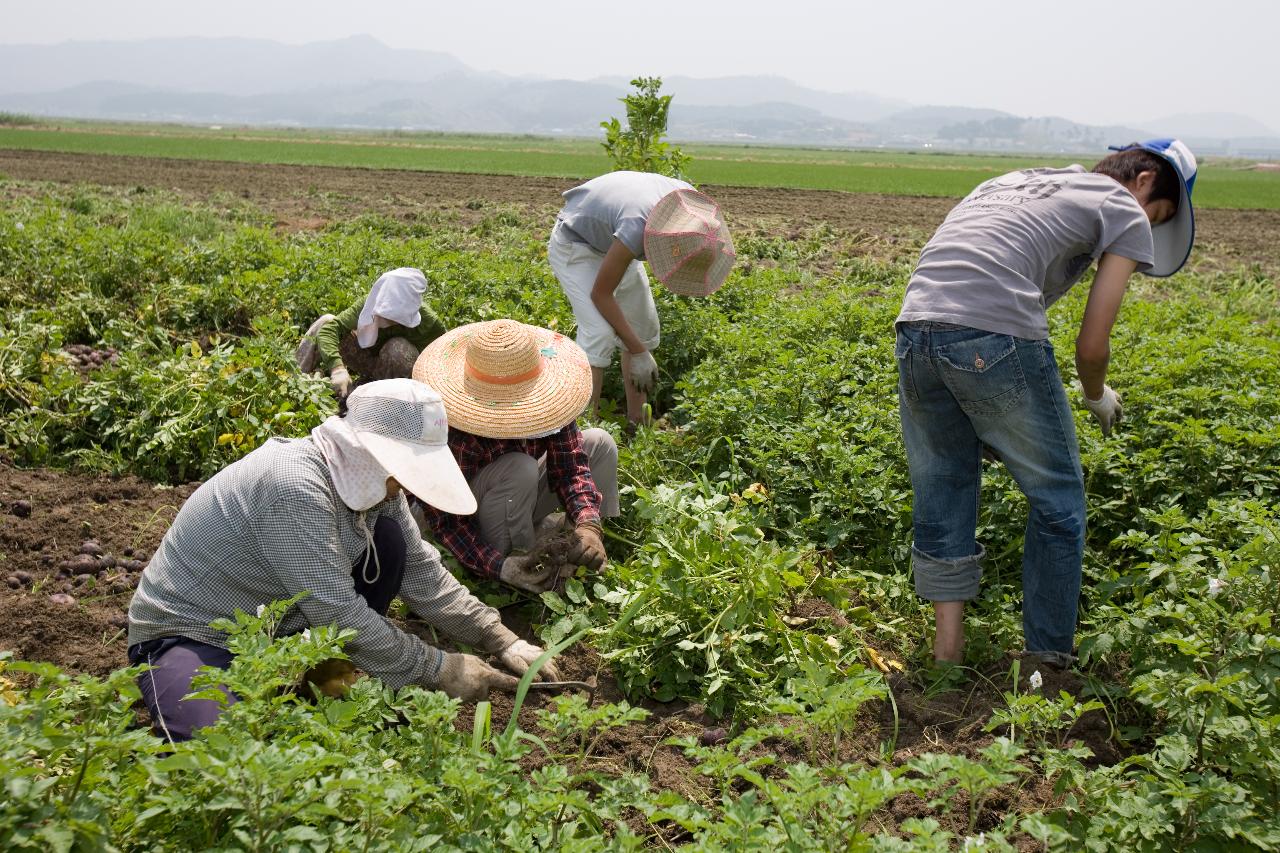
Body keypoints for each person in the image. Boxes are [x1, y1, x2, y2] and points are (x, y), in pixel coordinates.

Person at [893, 139, 1197, 668]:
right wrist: (1096, 393)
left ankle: (947, 659)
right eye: (1160, 214)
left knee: (944, 483)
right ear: (1146, 180)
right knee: (1059, 500)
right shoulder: (1123, 204)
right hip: (990, 336)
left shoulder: (1015, 180)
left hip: (915, 328)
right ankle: (1046, 664)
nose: (1149, 225)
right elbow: (1091, 344)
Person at [126, 379, 558, 742]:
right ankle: (294, 674)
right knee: (221, 754)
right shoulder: (294, 485)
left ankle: (322, 672)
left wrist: (500, 638)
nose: (405, 486)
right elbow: (335, 610)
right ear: (371, 452)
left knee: (391, 543)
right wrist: (439, 668)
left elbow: (423, 573)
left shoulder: (374, 486)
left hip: (276, 624)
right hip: (190, 634)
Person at [411, 319, 620, 593]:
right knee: (519, 467)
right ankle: (521, 560)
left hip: (512, 497)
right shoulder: (457, 431)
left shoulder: (549, 405)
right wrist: (499, 565)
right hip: (457, 517)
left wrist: (588, 523)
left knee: (599, 443)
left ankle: (581, 550)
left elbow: (570, 468)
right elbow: (447, 521)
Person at [548, 170, 736, 426]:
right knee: (599, 332)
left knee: (644, 326)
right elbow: (601, 294)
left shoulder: (689, 205)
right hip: (577, 246)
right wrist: (638, 352)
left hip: (615, 242)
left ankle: (638, 426)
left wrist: (639, 346)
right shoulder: (636, 227)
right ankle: (582, 435)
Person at [296, 267, 446, 401]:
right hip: (366, 358)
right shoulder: (369, 304)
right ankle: (297, 380)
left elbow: (440, 364)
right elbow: (331, 329)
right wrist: (337, 368)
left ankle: (381, 398)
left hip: (397, 378)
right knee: (326, 321)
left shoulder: (429, 324)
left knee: (398, 347)